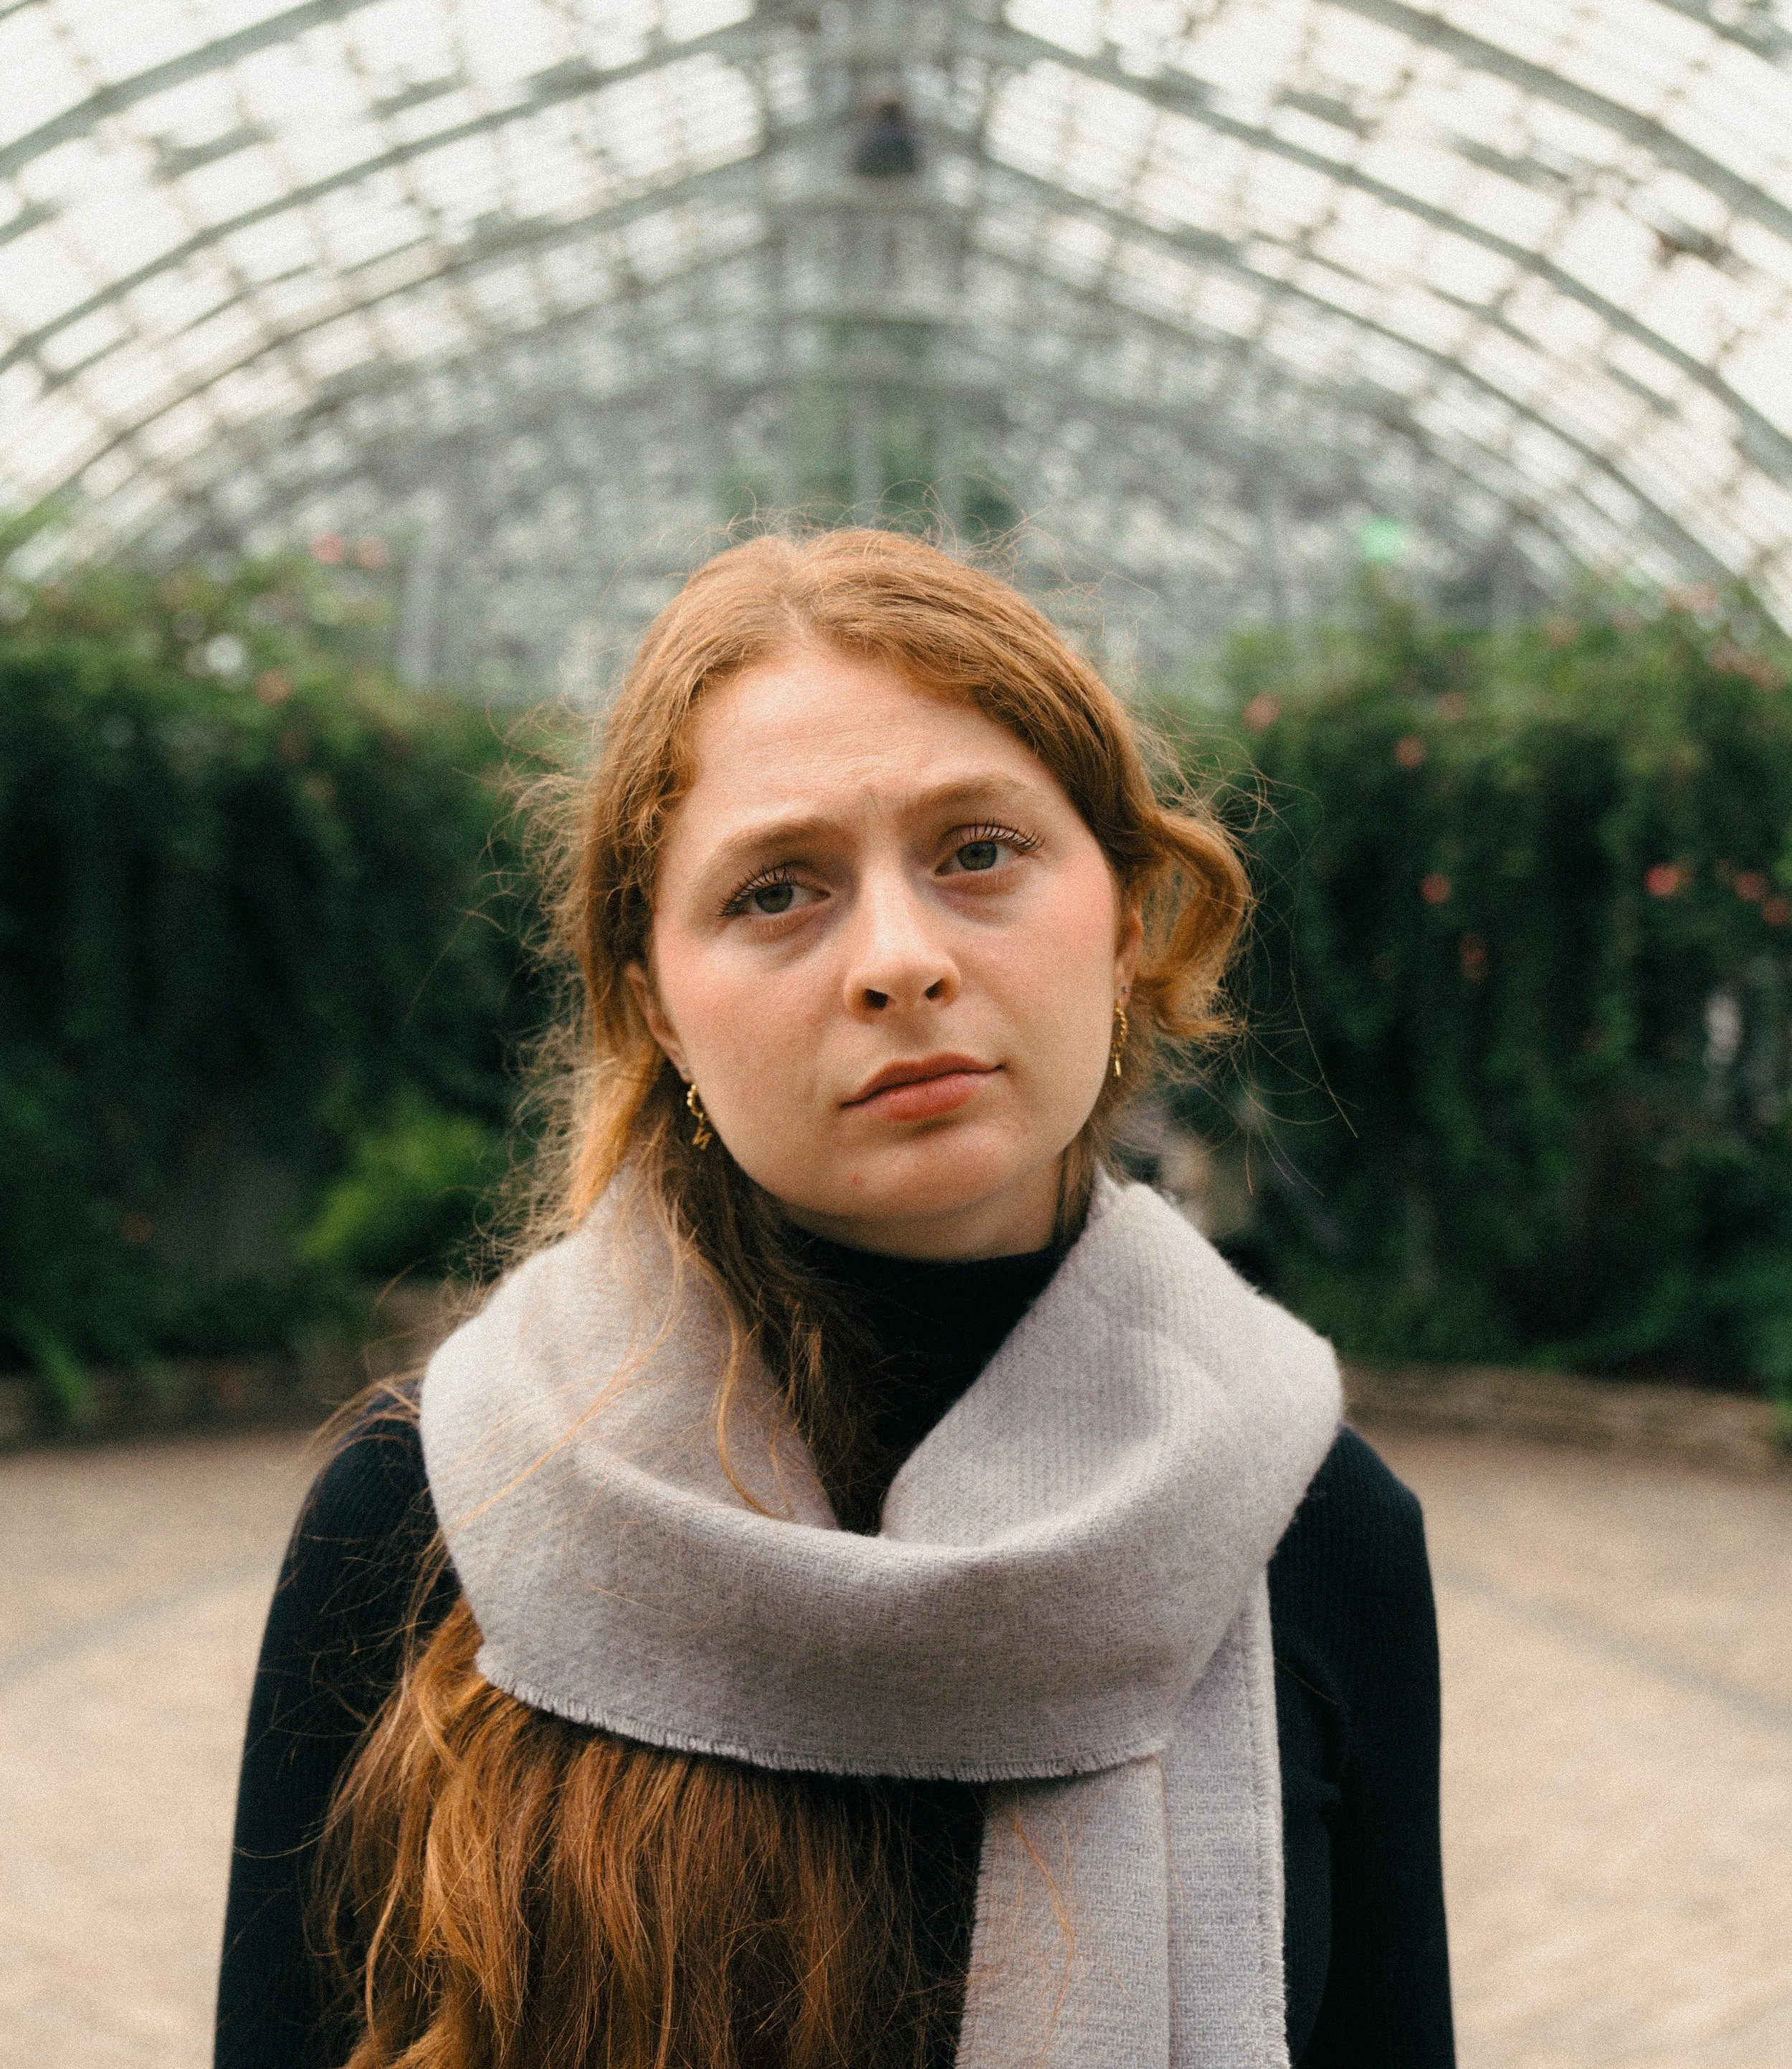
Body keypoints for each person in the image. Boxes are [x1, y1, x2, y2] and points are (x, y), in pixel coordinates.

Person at [216, 529, 1453, 2069]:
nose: (897, 958)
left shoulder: (1313, 1521)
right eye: (778, 888)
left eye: (977, 849)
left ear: (1127, 912)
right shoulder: (433, 1507)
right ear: (657, 1000)